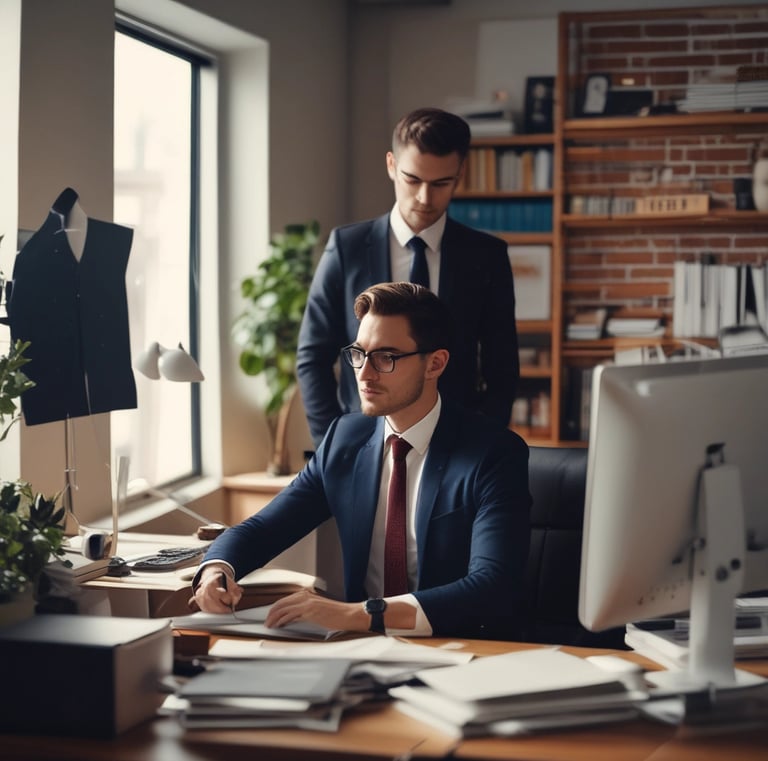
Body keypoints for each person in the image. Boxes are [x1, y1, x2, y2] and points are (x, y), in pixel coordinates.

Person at [191, 282, 531, 640]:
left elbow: (491, 587)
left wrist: (359, 614)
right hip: (361, 648)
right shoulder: (345, 439)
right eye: (359, 353)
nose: (365, 374)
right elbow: (263, 529)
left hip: (460, 647)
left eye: (386, 358)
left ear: (435, 364)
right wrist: (217, 569)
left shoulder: (494, 453)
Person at [297, 107, 520, 449]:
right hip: (362, 443)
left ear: (460, 173)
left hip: (457, 446)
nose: (425, 198)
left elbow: (502, 366)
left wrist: (482, 441)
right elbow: (313, 356)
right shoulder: (346, 248)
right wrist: (333, 444)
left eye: (441, 183)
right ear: (391, 165)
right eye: (413, 179)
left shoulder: (486, 256)